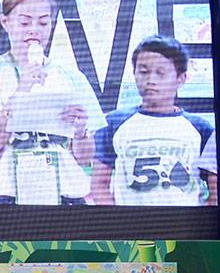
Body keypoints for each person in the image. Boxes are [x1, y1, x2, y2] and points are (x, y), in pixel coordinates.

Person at [0, 0, 106, 205]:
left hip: (66, 197)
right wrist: (20, 93)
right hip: (5, 199)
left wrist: (80, 131)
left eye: (43, 22)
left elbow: (84, 158)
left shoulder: (72, 77)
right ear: (5, 22)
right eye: (25, 22)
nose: (34, 30)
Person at [90, 35, 217, 206]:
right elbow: (99, 184)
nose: (151, 80)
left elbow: (214, 188)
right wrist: (118, 219)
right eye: (143, 72)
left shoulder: (201, 128)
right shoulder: (113, 123)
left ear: (181, 78)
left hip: (184, 222)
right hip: (131, 222)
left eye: (161, 73)